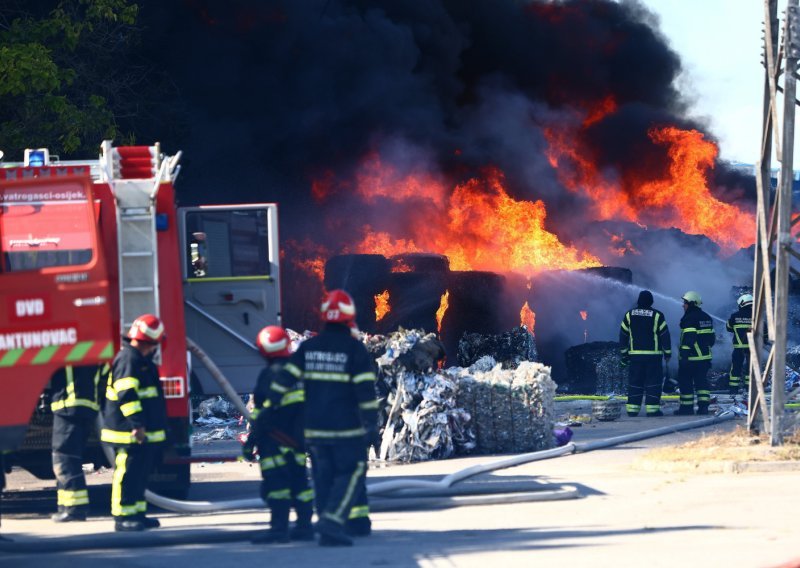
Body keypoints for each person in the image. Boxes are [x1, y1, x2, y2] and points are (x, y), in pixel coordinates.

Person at [279, 289, 379, 547]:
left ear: (323, 318)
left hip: (314, 429)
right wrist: (371, 423)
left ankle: (326, 525)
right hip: (346, 429)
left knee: (323, 476)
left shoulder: (308, 348)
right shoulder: (354, 349)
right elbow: (366, 393)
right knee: (352, 472)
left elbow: (283, 382)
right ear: (349, 319)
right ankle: (332, 522)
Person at [100, 314, 168, 532]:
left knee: (139, 474)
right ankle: (123, 516)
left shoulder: (140, 360)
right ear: (153, 341)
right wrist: (137, 425)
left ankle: (137, 513)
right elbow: (127, 395)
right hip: (128, 432)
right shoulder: (129, 359)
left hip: (139, 432)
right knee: (127, 474)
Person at [248, 325, 315, 544]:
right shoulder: (297, 374)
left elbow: (262, 413)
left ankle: (279, 529)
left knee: (276, 487)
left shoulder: (269, 375)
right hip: (297, 442)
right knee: (299, 485)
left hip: (274, 441)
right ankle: (305, 527)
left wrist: (251, 441)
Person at [50, 364, 108, 522]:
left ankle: (75, 509)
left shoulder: (68, 348)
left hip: (69, 405)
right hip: (86, 406)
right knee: (70, 457)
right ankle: (65, 506)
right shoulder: (94, 351)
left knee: (65, 457)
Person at [619, 290, 672, 417]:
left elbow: (623, 336)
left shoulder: (629, 314)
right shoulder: (657, 315)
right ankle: (652, 410)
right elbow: (665, 335)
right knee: (653, 382)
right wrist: (668, 353)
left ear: (638, 301)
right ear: (651, 302)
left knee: (635, 382)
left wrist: (624, 355)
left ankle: (632, 409)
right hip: (653, 357)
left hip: (635, 356)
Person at [676, 291, 715, 415]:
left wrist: (684, 357)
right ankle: (703, 407)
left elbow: (689, 338)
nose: (683, 305)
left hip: (691, 358)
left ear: (692, 303)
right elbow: (712, 339)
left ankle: (686, 408)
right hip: (705, 358)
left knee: (685, 381)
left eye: (685, 303)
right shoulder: (707, 317)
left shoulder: (689, 318)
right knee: (702, 382)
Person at [727, 294, 753, 396]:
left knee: (736, 369)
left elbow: (728, 328)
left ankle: (733, 390)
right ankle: (749, 389)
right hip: (752, 349)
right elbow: (764, 331)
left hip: (739, 348)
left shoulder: (735, 316)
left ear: (742, 303)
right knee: (750, 369)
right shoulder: (756, 315)